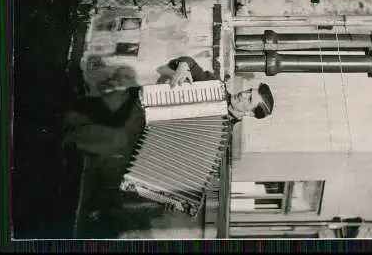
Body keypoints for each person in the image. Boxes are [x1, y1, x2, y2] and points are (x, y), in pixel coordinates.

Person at [61, 56, 275, 237]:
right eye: (248, 91)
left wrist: (171, 193)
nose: (242, 95)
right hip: (137, 104)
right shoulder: (215, 86)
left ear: (248, 113)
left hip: (138, 138)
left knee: (93, 138)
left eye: (248, 99)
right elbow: (189, 63)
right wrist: (183, 67)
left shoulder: (221, 136)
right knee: (78, 111)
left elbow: (188, 165)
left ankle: (54, 138)